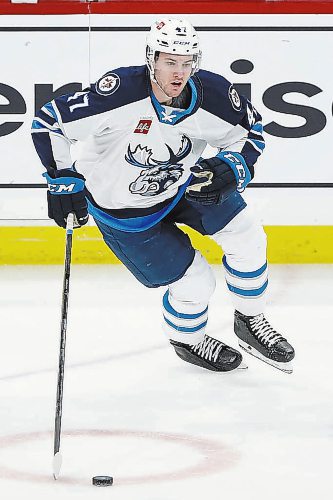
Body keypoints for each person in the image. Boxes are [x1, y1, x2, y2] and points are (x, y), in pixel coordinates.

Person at [31, 18, 295, 374]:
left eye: (187, 63)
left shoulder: (213, 95)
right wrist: (62, 179)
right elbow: (50, 121)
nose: (179, 73)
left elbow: (251, 131)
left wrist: (234, 165)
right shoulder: (121, 91)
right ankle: (188, 340)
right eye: (170, 61)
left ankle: (250, 320)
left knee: (247, 235)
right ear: (151, 59)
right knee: (197, 282)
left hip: (184, 186)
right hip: (125, 213)